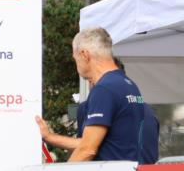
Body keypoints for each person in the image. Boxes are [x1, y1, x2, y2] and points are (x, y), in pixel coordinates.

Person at [39, 27, 158, 163]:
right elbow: (101, 141)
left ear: (84, 55)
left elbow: (87, 149)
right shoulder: (128, 84)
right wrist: (50, 137)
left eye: (75, 58)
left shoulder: (104, 89)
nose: (76, 65)